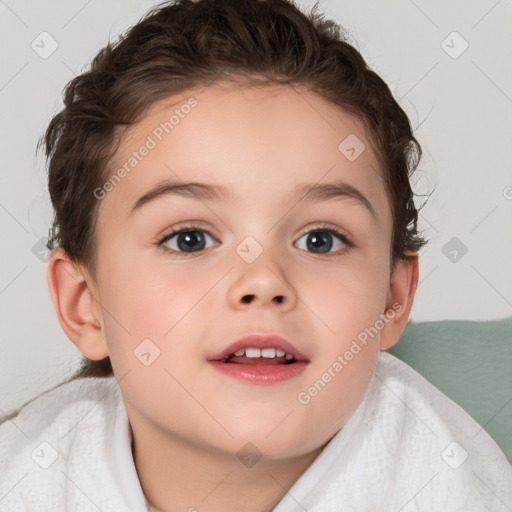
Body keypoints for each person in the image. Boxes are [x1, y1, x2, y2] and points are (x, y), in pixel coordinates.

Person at [1, 0, 511, 510]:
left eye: (320, 239)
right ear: (84, 304)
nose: (263, 280)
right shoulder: (27, 479)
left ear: (393, 299)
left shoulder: (453, 484)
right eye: (190, 239)